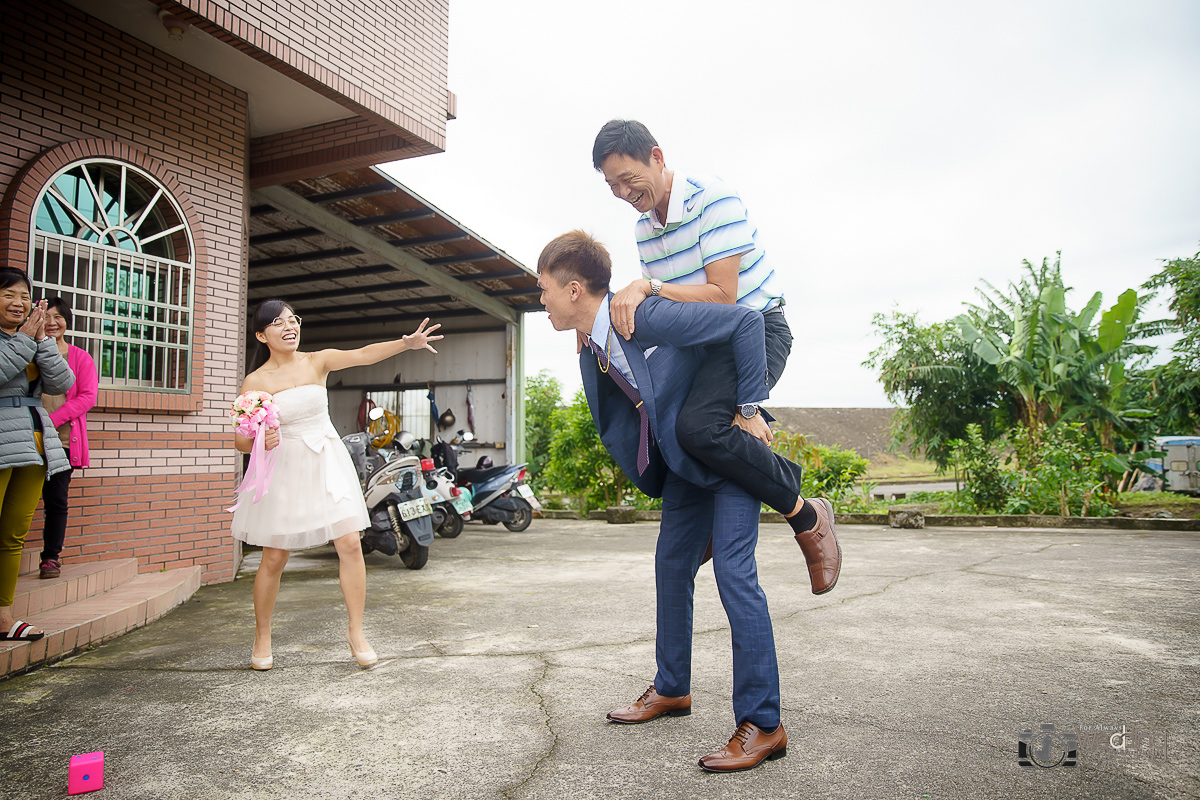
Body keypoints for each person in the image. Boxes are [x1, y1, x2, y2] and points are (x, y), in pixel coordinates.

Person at [537, 230, 789, 773]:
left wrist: (748, 409)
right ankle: (672, 687)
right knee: (671, 566)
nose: (541, 302)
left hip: (726, 457)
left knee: (735, 574)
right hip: (683, 466)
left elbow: (745, 321)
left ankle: (764, 724)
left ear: (575, 289)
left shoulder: (644, 317)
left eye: (544, 291)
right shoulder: (595, 344)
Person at [591, 120, 839, 593]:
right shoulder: (644, 229)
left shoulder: (714, 199)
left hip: (757, 331)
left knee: (698, 426)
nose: (623, 192)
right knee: (664, 426)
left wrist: (649, 287)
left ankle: (807, 515)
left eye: (628, 178)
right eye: (612, 185)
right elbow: (672, 317)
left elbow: (725, 298)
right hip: (701, 348)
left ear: (657, 158)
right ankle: (705, 518)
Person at [230, 299, 442, 671]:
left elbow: (362, 354)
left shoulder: (317, 361)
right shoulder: (256, 382)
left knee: (349, 543)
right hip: (284, 470)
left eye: (293, 319)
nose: (289, 326)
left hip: (327, 461)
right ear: (262, 335)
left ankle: (356, 631)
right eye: (278, 323)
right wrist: (261, 442)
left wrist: (405, 343)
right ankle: (262, 635)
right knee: (275, 556)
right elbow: (240, 440)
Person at [0, 268, 74, 642]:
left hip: (34, 441)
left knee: (13, 534)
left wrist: (42, 340)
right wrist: (27, 340)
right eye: (8, 295)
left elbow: (62, 383)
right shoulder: (17, 339)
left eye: (25, 296)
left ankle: (3, 616)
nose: (19, 303)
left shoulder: (32, 337)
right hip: (2, 439)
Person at [37, 298, 98, 579]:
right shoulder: (28, 352)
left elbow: (88, 396)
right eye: (45, 316)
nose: (51, 322)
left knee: (56, 500)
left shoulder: (79, 357)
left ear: (66, 322)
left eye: (58, 317)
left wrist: (51, 420)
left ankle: (51, 557)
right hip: (25, 436)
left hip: (61, 439)